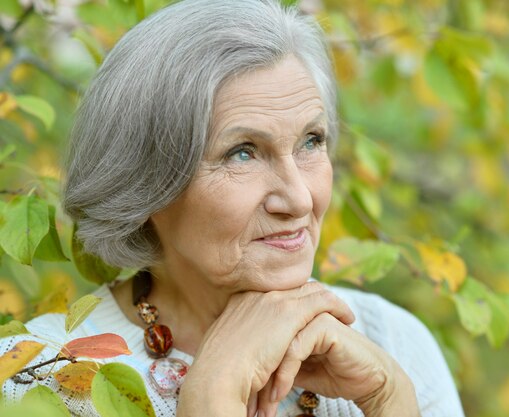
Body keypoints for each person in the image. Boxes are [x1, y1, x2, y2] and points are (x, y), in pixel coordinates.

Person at [0, 1, 465, 416]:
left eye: (311, 141)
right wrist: (212, 395)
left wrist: (389, 400)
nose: (300, 198)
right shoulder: (41, 382)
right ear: (145, 185)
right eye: (242, 152)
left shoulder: (391, 342)